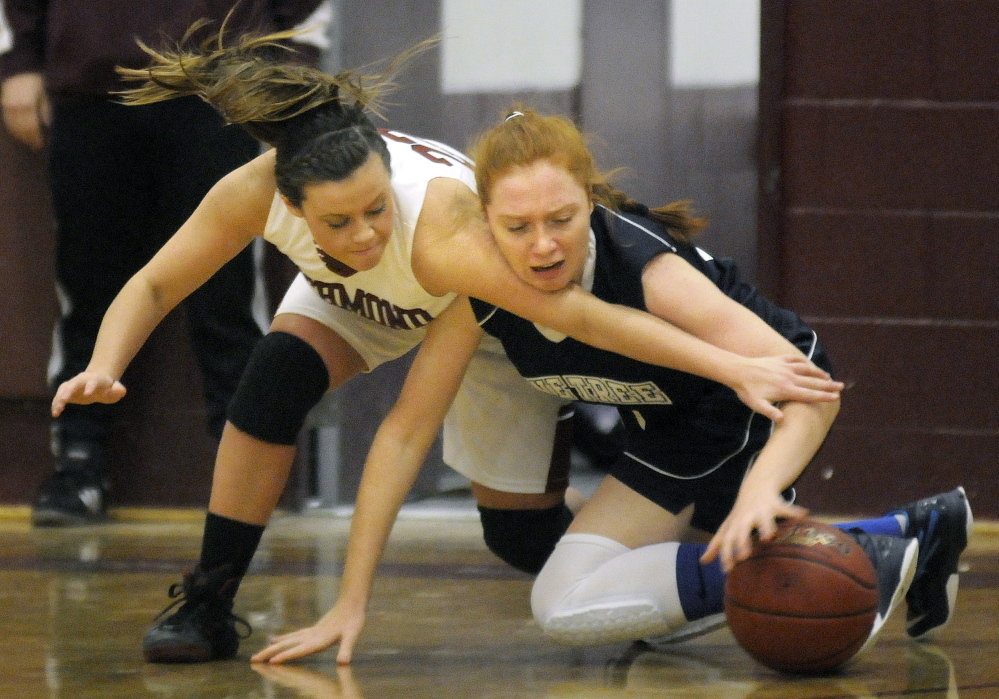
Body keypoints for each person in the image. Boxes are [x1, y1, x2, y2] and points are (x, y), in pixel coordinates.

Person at [49, 30, 843, 663]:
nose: (362, 234)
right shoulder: (251, 192)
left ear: (384, 174)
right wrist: (103, 365)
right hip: (358, 304)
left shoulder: (442, 241)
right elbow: (153, 284)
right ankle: (210, 597)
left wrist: (732, 363)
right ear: (287, 200)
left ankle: (679, 583)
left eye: (372, 211)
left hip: (474, 322)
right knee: (272, 377)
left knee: (520, 537)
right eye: (336, 223)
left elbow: (585, 316)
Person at [250, 109, 973, 664]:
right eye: (517, 226)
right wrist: (349, 601)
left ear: (588, 201)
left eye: (561, 219)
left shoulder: (645, 270)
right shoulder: (480, 289)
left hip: (738, 419)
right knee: (589, 594)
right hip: (665, 434)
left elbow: (811, 385)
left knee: (570, 603)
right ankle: (902, 535)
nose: (542, 245)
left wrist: (761, 490)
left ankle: (861, 550)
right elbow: (405, 430)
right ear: (483, 223)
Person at [0, 0, 330, 525]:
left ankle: (245, 461)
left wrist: (299, 57)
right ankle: (79, 463)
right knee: (88, 289)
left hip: (223, 83)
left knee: (227, 293)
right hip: (92, 86)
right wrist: (19, 61)